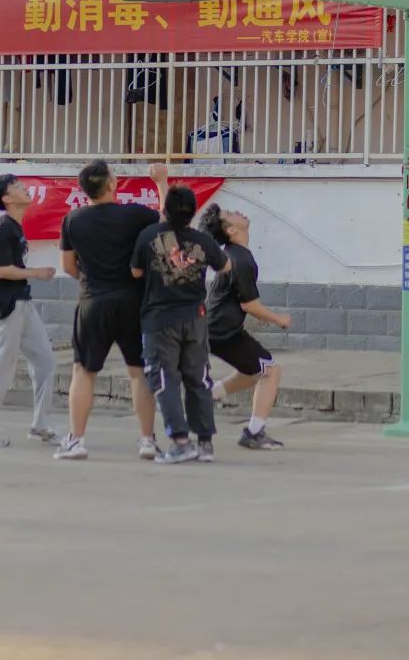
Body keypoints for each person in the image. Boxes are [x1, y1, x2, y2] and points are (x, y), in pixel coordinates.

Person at [55, 159, 167, 462]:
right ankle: (147, 440)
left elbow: (68, 266)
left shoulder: (73, 219)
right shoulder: (133, 214)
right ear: (111, 184)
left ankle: (76, 440)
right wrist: (161, 183)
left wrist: (90, 281)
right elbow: (167, 222)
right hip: (132, 301)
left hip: (92, 302)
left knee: (83, 371)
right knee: (138, 372)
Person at [130, 185, 228, 464]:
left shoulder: (149, 236)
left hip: (160, 319)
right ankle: (205, 442)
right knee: (198, 378)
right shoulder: (202, 240)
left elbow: (135, 271)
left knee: (164, 379)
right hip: (195, 317)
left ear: (164, 209)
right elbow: (225, 266)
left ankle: (181, 442)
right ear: (193, 212)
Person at [0, 174, 56, 448]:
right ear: (6, 198)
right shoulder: (4, 227)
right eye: (17, 187)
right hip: (9, 306)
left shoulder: (15, 227)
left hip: (23, 303)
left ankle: (40, 425)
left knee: (45, 361)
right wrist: (36, 273)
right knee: (1, 368)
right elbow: (2, 270)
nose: (24, 189)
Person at [201, 202, 290, 450]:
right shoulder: (240, 259)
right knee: (270, 370)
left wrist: (260, 311)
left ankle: (212, 394)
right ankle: (254, 432)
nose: (238, 212)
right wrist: (278, 319)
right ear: (231, 230)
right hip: (222, 332)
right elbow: (249, 304)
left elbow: (244, 300)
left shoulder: (235, 254)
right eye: (230, 214)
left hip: (218, 329)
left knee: (254, 370)